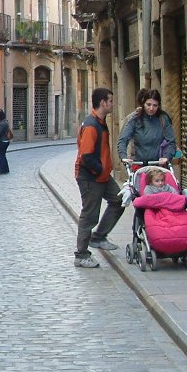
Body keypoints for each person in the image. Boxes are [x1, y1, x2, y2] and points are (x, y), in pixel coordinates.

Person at [73, 87, 125, 268]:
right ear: (103, 103)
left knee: (119, 200)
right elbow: (86, 155)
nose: (112, 104)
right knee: (89, 215)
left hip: (102, 176)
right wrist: (100, 170)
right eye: (110, 101)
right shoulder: (91, 125)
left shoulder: (100, 122)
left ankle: (99, 236)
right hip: (90, 177)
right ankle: (81, 255)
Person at [116, 89, 176, 167]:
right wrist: (124, 157)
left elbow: (171, 141)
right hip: (140, 165)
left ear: (159, 105)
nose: (151, 108)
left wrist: (166, 157)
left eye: (155, 105)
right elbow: (123, 140)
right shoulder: (135, 119)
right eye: (148, 104)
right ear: (143, 103)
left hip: (159, 166)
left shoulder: (163, 119)